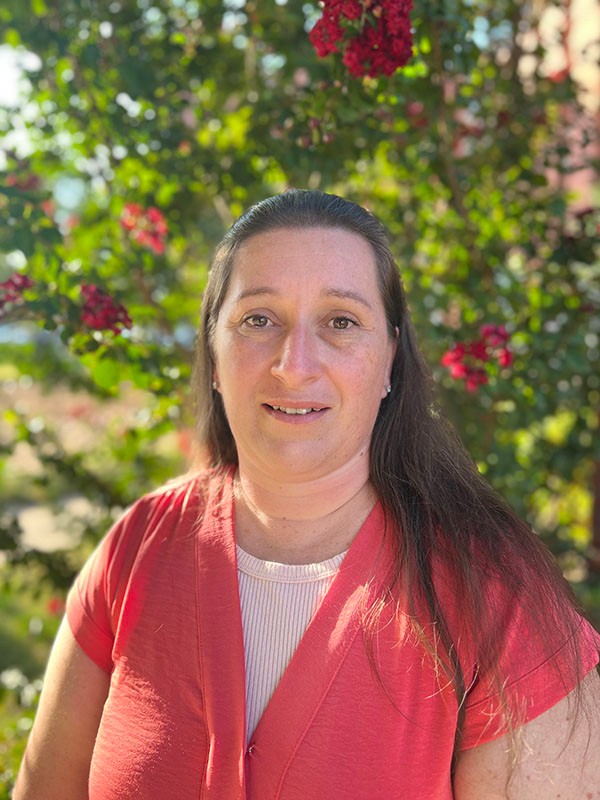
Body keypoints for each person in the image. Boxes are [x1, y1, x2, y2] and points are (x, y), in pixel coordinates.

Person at [14, 190, 600, 799]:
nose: (294, 365)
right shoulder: (135, 551)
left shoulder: (497, 603)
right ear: (214, 356)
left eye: (340, 322)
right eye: (259, 320)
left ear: (391, 360)